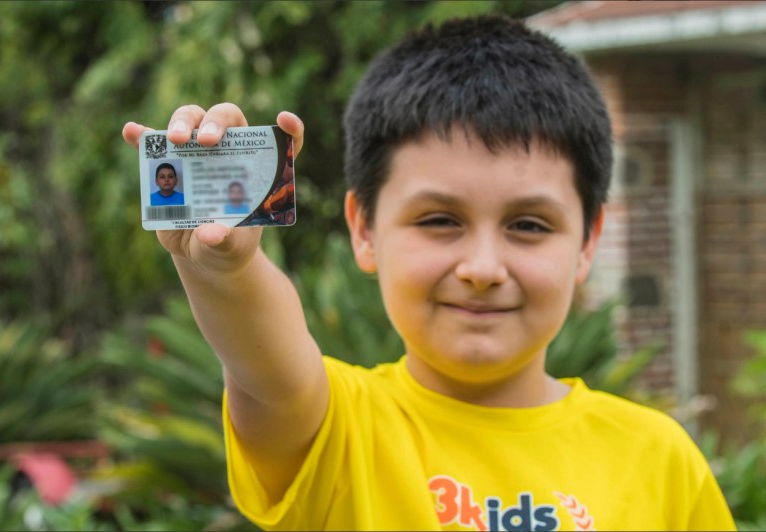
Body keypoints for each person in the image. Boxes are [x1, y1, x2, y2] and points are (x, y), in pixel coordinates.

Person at [122, 15, 735, 531]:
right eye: (440, 220)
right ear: (364, 229)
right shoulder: (333, 428)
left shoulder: (661, 460)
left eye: (529, 225)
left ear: (587, 242)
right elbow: (264, 366)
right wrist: (226, 267)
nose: (483, 268)